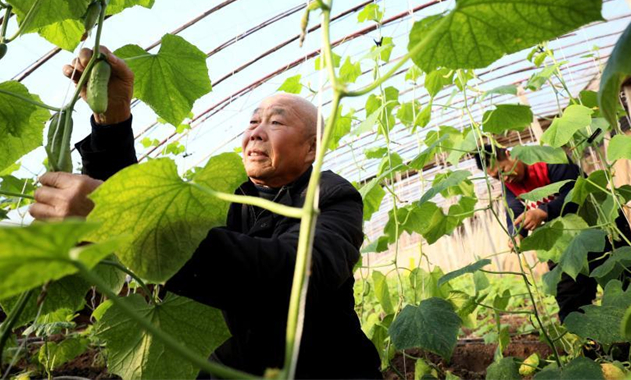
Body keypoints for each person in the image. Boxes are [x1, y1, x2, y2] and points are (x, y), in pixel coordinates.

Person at [30, 47, 383, 379]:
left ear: (311, 149)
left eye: (276, 123)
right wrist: (112, 117)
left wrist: (118, 217)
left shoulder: (332, 195)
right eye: (253, 122)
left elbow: (293, 276)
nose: (257, 132)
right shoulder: (223, 197)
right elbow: (136, 204)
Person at [473, 144, 631, 322]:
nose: (504, 178)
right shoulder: (509, 184)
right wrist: (516, 233)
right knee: (570, 300)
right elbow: (514, 211)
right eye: (496, 177)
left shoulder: (549, 159)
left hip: (601, 225)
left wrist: (543, 211)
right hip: (565, 241)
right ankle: (589, 343)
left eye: (504, 170)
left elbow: (576, 192)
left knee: (624, 284)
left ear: (509, 154)